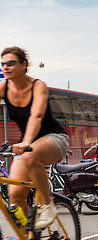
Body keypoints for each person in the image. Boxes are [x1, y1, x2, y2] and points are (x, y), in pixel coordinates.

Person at [1, 47, 69, 228]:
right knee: (14, 196)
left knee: (31, 156)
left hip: (54, 138)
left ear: (23, 65)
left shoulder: (38, 86)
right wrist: (25, 143)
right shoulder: (3, 87)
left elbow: (36, 116)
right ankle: (28, 234)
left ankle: (48, 206)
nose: (5, 67)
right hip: (28, 145)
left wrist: (25, 142)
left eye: (10, 63)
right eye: (3, 64)